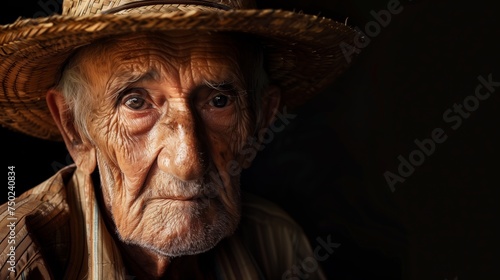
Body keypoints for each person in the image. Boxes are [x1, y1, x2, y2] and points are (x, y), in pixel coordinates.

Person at [0, 0, 359, 279]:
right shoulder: (17, 259)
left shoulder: (276, 241)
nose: (188, 161)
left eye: (219, 101)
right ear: (74, 130)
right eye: (136, 102)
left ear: (261, 121)